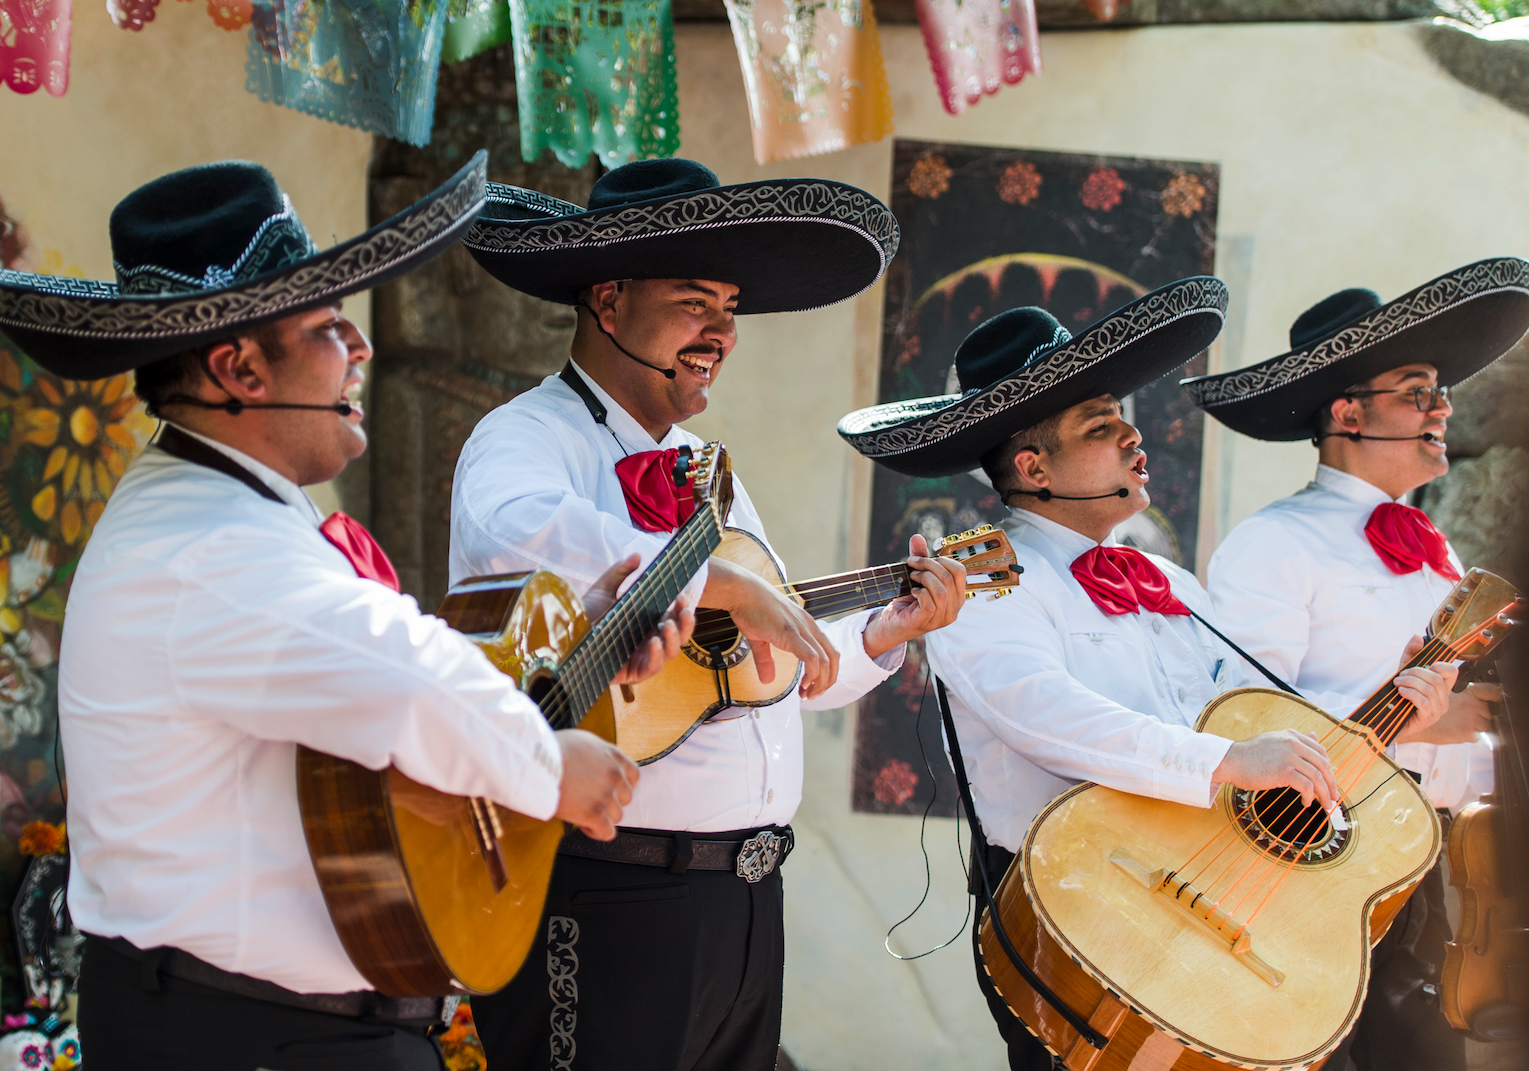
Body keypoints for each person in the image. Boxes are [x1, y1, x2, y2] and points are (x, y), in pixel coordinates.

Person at [0, 152, 694, 1069]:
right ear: (239, 368)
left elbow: (362, 677)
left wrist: (583, 640)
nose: (363, 348)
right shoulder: (211, 542)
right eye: (328, 328)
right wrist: (546, 765)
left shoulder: (225, 510)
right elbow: (404, 681)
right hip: (250, 1035)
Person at [835, 278, 1462, 1071]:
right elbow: (1049, 715)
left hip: (1189, 897)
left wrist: (1388, 702)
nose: (1136, 441)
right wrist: (1225, 762)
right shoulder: (984, 583)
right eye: (1103, 428)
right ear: (1033, 465)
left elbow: (1254, 713)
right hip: (1080, 910)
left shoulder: (1170, 584)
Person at [447, 159, 971, 1071]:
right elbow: (519, 534)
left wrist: (881, 635)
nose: (723, 331)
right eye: (696, 302)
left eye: (730, 309)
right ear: (609, 302)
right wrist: (722, 583)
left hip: (744, 901)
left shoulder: (707, 471)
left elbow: (762, 673)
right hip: (606, 890)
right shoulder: (527, 437)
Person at [1187, 257, 1529, 1071]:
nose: (1442, 408)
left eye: (1439, 392)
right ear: (1347, 413)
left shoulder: (1437, 554)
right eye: (1417, 392)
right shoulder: (1273, 545)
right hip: (1319, 875)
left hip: (1432, 871)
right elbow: (1246, 723)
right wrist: (1415, 728)